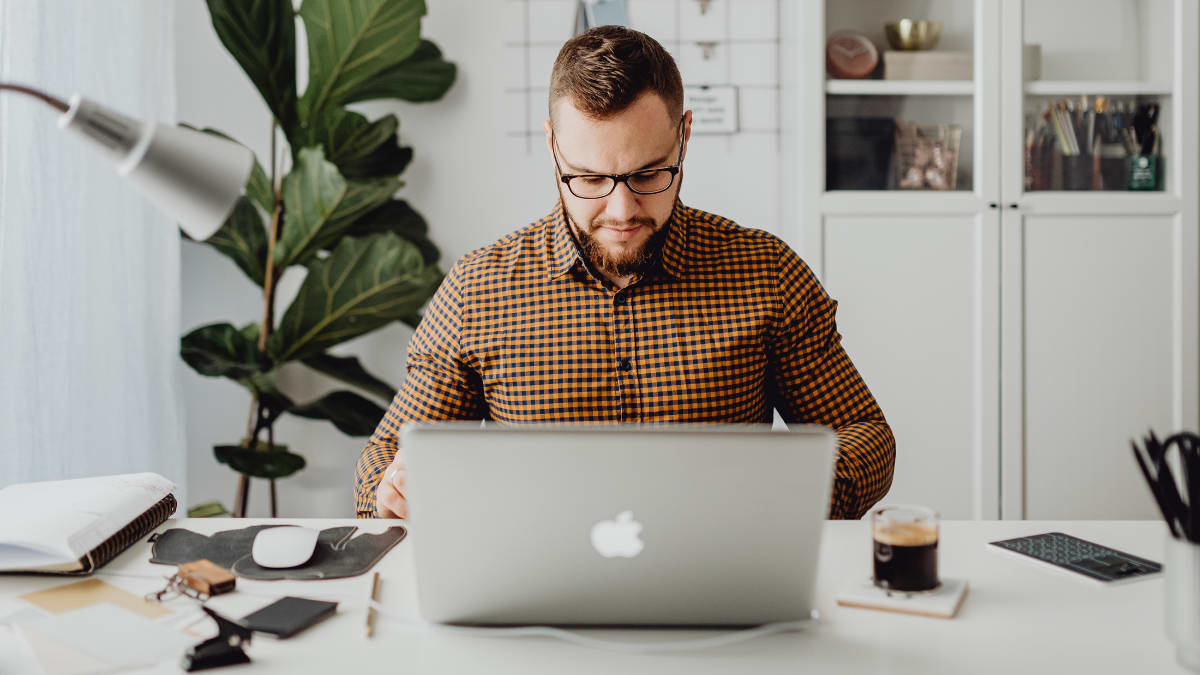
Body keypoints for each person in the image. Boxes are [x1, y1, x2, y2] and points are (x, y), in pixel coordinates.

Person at [355, 26, 894, 520]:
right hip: (534, 594)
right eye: (588, 178)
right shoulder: (479, 289)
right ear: (552, 147)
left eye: (648, 173)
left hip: (720, 582)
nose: (621, 210)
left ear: (684, 136)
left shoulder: (765, 272)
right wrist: (391, 488)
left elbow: (866, 436)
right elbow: (384, 456)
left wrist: (791, 492)